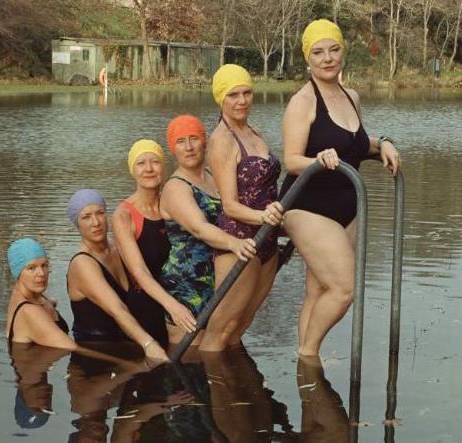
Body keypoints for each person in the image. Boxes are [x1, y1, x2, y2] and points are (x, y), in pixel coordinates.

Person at [279, 19, 401, 356]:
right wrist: (318, 158)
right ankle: (308, 354)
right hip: (308, 204)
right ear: (308, 59)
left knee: (319, 290)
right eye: (318, 52)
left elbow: (354, 144)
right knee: (344, 289)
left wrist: (383, 144)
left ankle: (307, 364)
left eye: (333, 50)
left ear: (342, 53)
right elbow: (290, 160)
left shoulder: (352, 97)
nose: (327, 58)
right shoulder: (303, 102)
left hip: (347, 204)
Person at [201, 64, 284, 352]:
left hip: (269, 238)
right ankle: (205, 387)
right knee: (221, 328)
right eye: (233, 95)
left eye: (247, 93)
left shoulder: (255, 132)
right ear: (221, 99)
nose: (242, 101)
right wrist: (263, 216)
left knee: (242, 324)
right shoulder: (221, 141)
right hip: (241, 240)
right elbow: (230, 205)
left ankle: (235, 389)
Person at [159, 115, 257, 344]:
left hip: (217, 275)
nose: (189, 147)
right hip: (187, 284)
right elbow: (200, 228)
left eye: (194, 138)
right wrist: (235, 243)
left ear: (204, 141)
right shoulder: (175, 187)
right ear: (173, 149)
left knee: (221, 342)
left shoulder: (213, 177)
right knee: (192, 354)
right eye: (181, 141)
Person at [66, 189, 169, 361]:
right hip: (100, 352)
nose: (96, 222)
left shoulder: (118, 248)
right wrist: (149, 345)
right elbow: (117, 309)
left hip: (128, 342)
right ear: (77, 224)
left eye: (100, 213)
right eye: (86, 217)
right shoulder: (82, 264)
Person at [112, 139, 197, 349]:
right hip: (147, 309)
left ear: (163, 166)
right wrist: (173, 307)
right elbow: (139, 271)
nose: (149, 169)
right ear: (132, 170)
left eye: (155, 162)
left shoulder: (175, 202)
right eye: (141, 163)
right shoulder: (124, 215)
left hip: (185, 299)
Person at [5, 237, 74, 350]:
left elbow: (47, 303)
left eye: (44, 265)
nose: (41, 273)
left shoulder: (34, 296)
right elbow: (73, 348)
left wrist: (51, 303)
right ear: (18, 272)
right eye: (31, 268)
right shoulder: (30, 311)